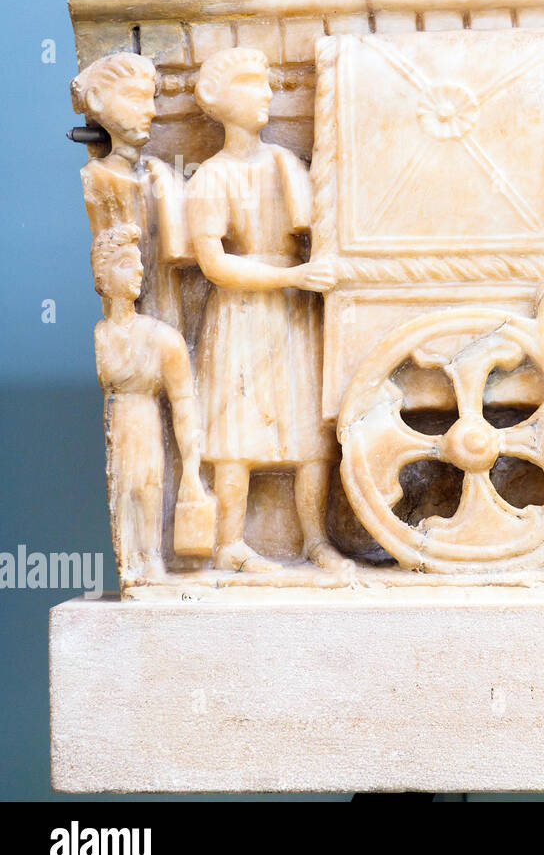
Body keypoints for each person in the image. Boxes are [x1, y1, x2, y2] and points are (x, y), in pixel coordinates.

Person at [186, 47, 348, 573]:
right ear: (216, 99)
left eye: (268, 84)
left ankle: (315, 539)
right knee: (236, 432)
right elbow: (212, 264)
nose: (266, 94)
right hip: (241, 312)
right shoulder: (209, 177)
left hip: (291, 309)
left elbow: (316, 230)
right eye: (252, 83)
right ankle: (230, 543)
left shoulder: (282, 162)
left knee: (307, 432)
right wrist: (289, 277)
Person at [92, 224, 206, 582]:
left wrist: (191, 471)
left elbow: (185, 406)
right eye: (127, 263)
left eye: (140, 262)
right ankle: (132, 563)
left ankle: (152, 557)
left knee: (147, 486)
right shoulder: (102, 334)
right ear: (103, 278)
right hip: (119, 425)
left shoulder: (163, 340)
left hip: (145, 425)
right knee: (123, 491)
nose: (140, 270)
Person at [71, 53, 181, 325]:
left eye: (151, 100)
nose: (151, 111)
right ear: (96, 100)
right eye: (134, 97)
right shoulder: (98, 178)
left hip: (171, 309)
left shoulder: (160, 174)